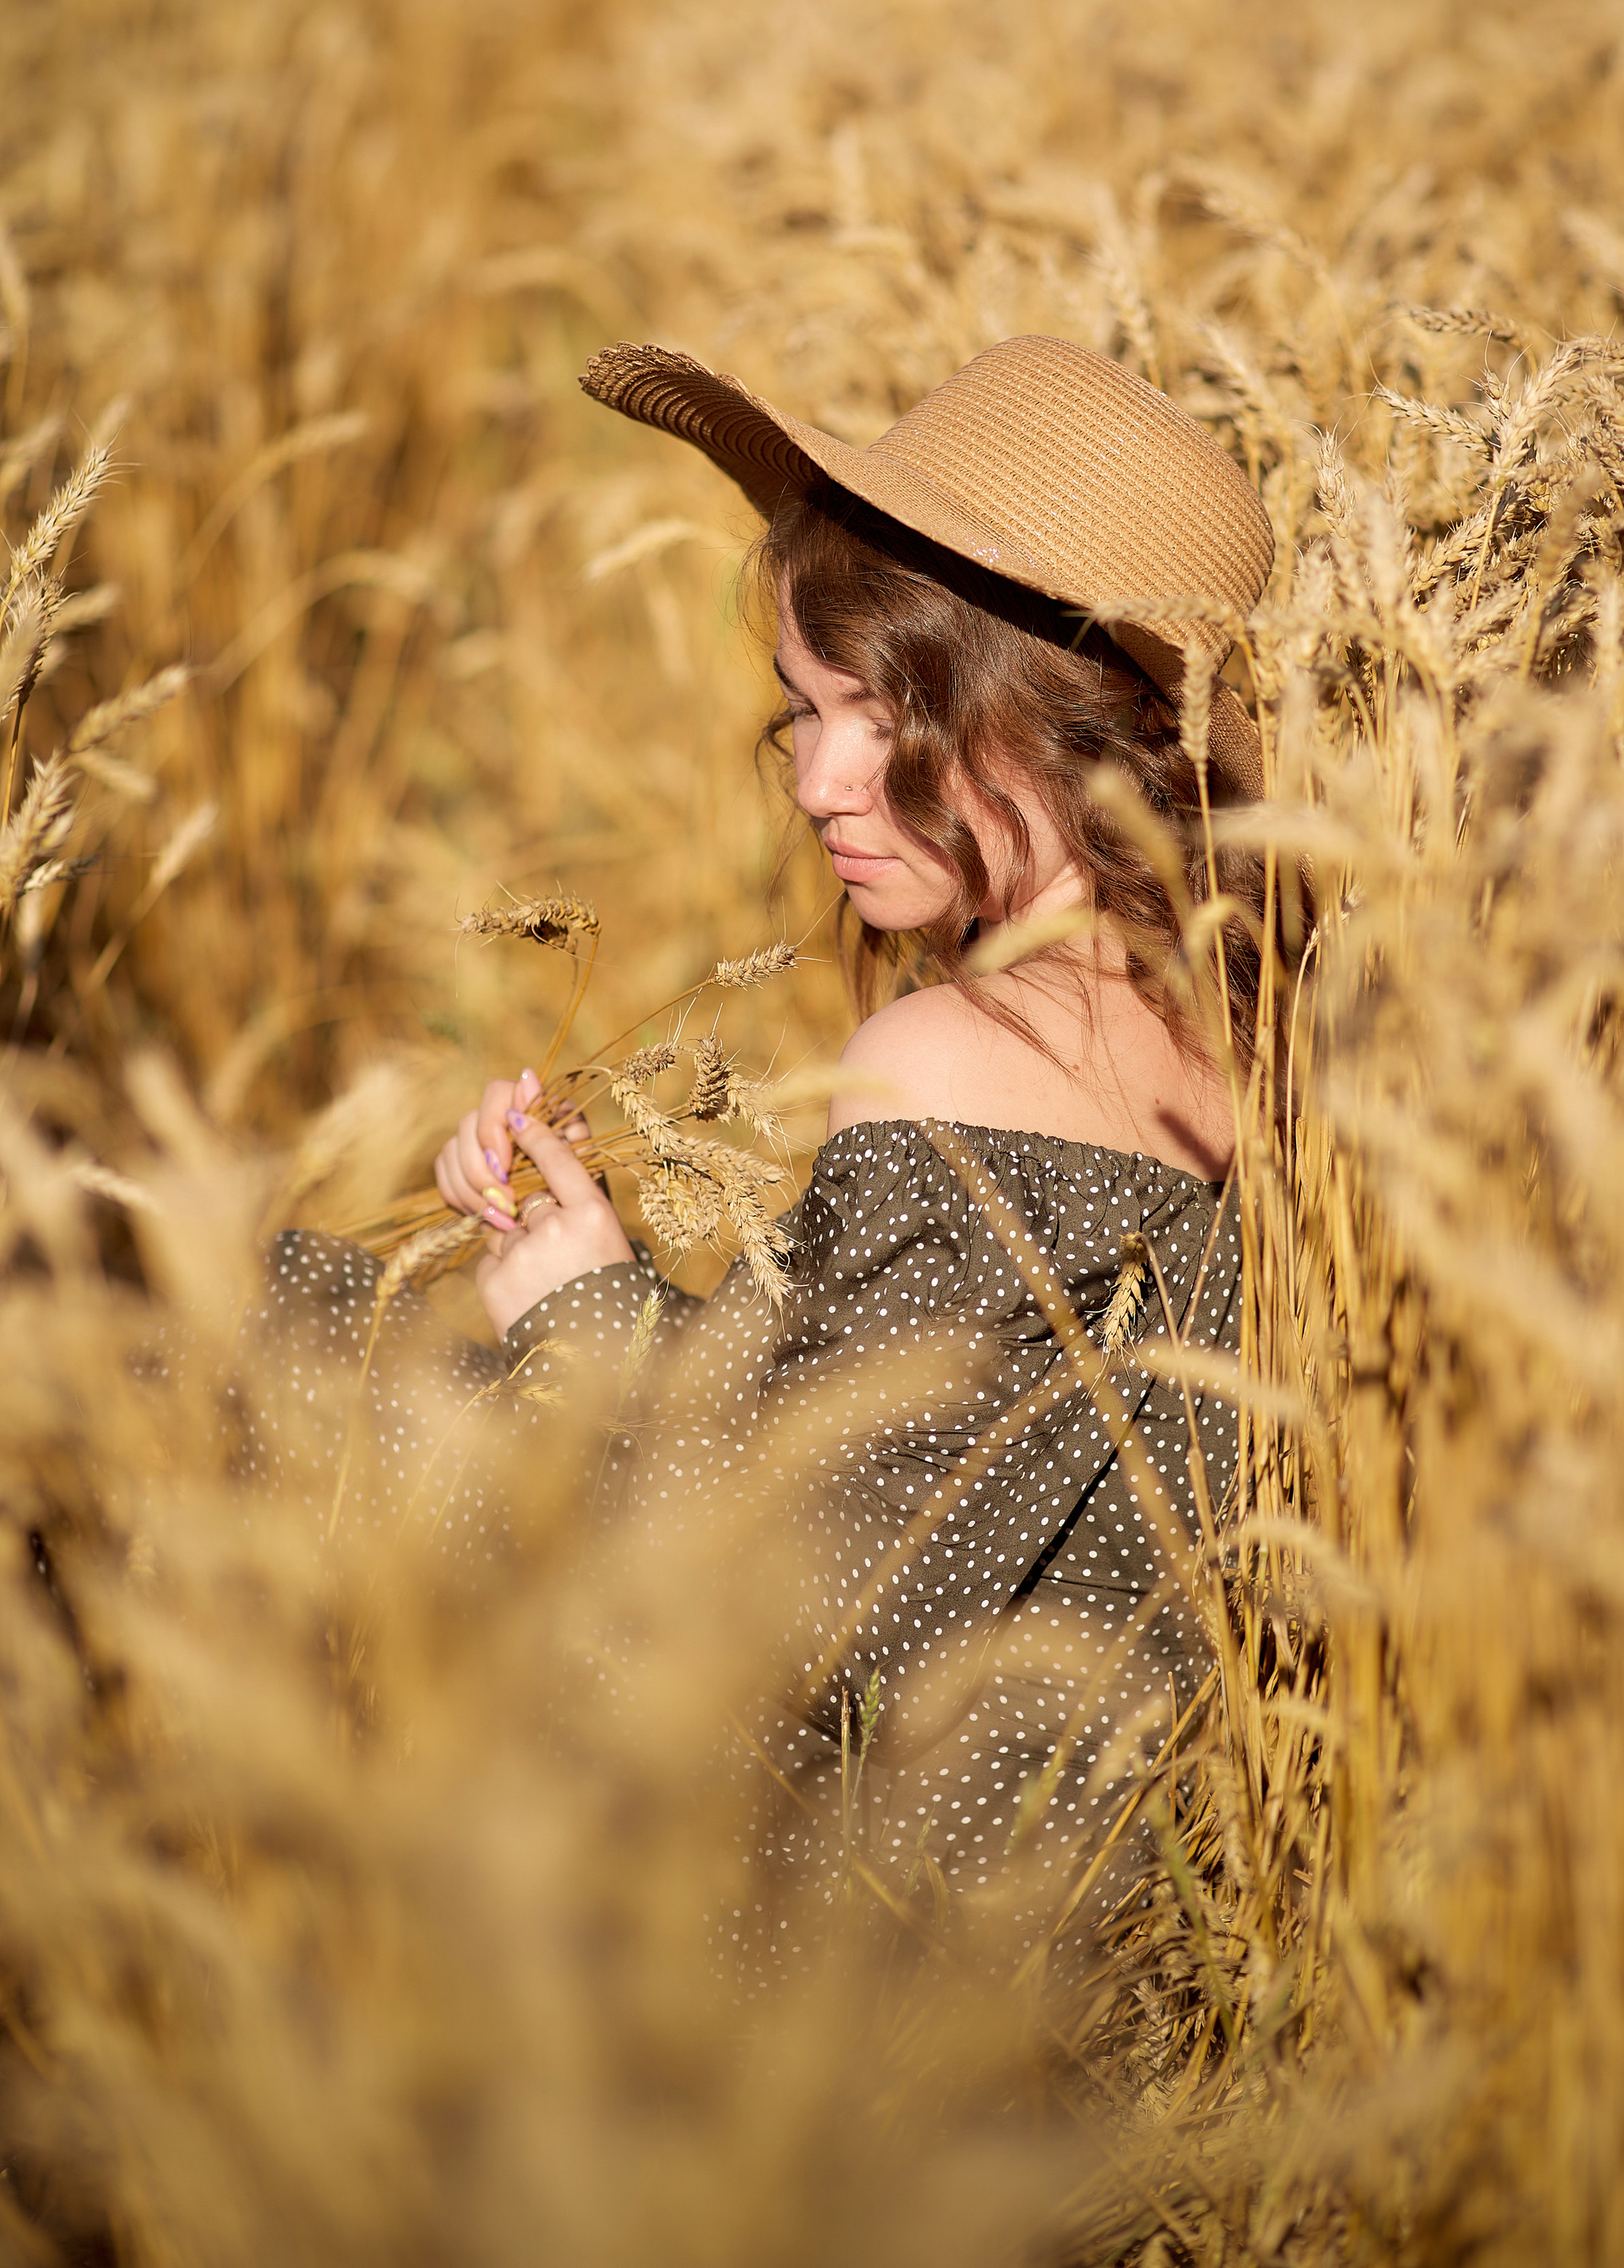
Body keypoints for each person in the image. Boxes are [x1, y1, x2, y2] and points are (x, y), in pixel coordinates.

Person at [264, 334, 1276, 1928]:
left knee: (217, 1350)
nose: (814, 782)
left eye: (871, 716)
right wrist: (586, 1263)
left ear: (1045, 726)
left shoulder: (949, 1055)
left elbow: (803, 1606)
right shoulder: (1239, 1049)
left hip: (806, 1917)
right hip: (1031, 1906)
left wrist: (579, 1325)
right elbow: (923, 1494)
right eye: (799, 717)